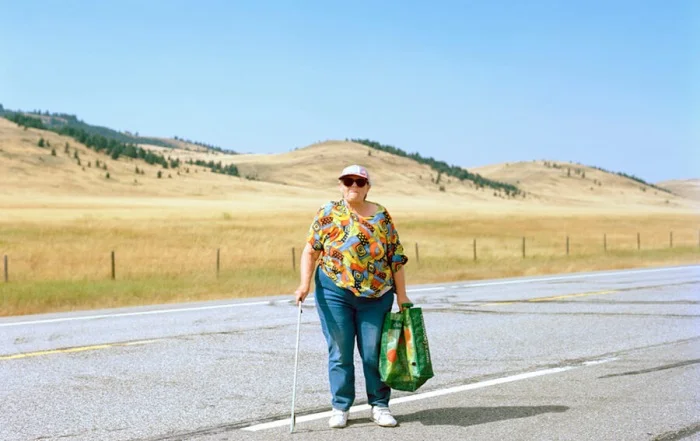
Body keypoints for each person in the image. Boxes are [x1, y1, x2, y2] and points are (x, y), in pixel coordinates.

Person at [294, 164, 412, 429]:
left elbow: (396, 257)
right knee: (340, 351)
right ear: (340, 185)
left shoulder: (381, 216)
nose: (354, 186)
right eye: (348, 181)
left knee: (373, 352)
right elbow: (310, 251)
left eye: (360, 182)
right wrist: (303, 285)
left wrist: (402, 295)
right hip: (334, 292)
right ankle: (340, 406)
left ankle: (380, 405)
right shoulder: (328, 212)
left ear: (368, 187)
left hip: (377, 295)